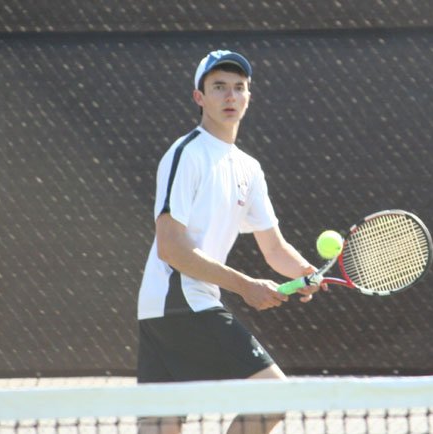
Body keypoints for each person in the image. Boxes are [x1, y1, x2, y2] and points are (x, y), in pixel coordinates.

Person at [136, 49, 324, 434]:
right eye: (219, 87)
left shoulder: (248, 168)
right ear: (199, 97)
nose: (230, 96)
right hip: (181, 302)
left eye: (239, 88)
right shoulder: (186, 154)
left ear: (248, 97)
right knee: (274, 395)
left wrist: (304, 270)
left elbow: (274, 248)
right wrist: (245, 287)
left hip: (166, 306)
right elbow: (170, 248)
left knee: (160, 425)